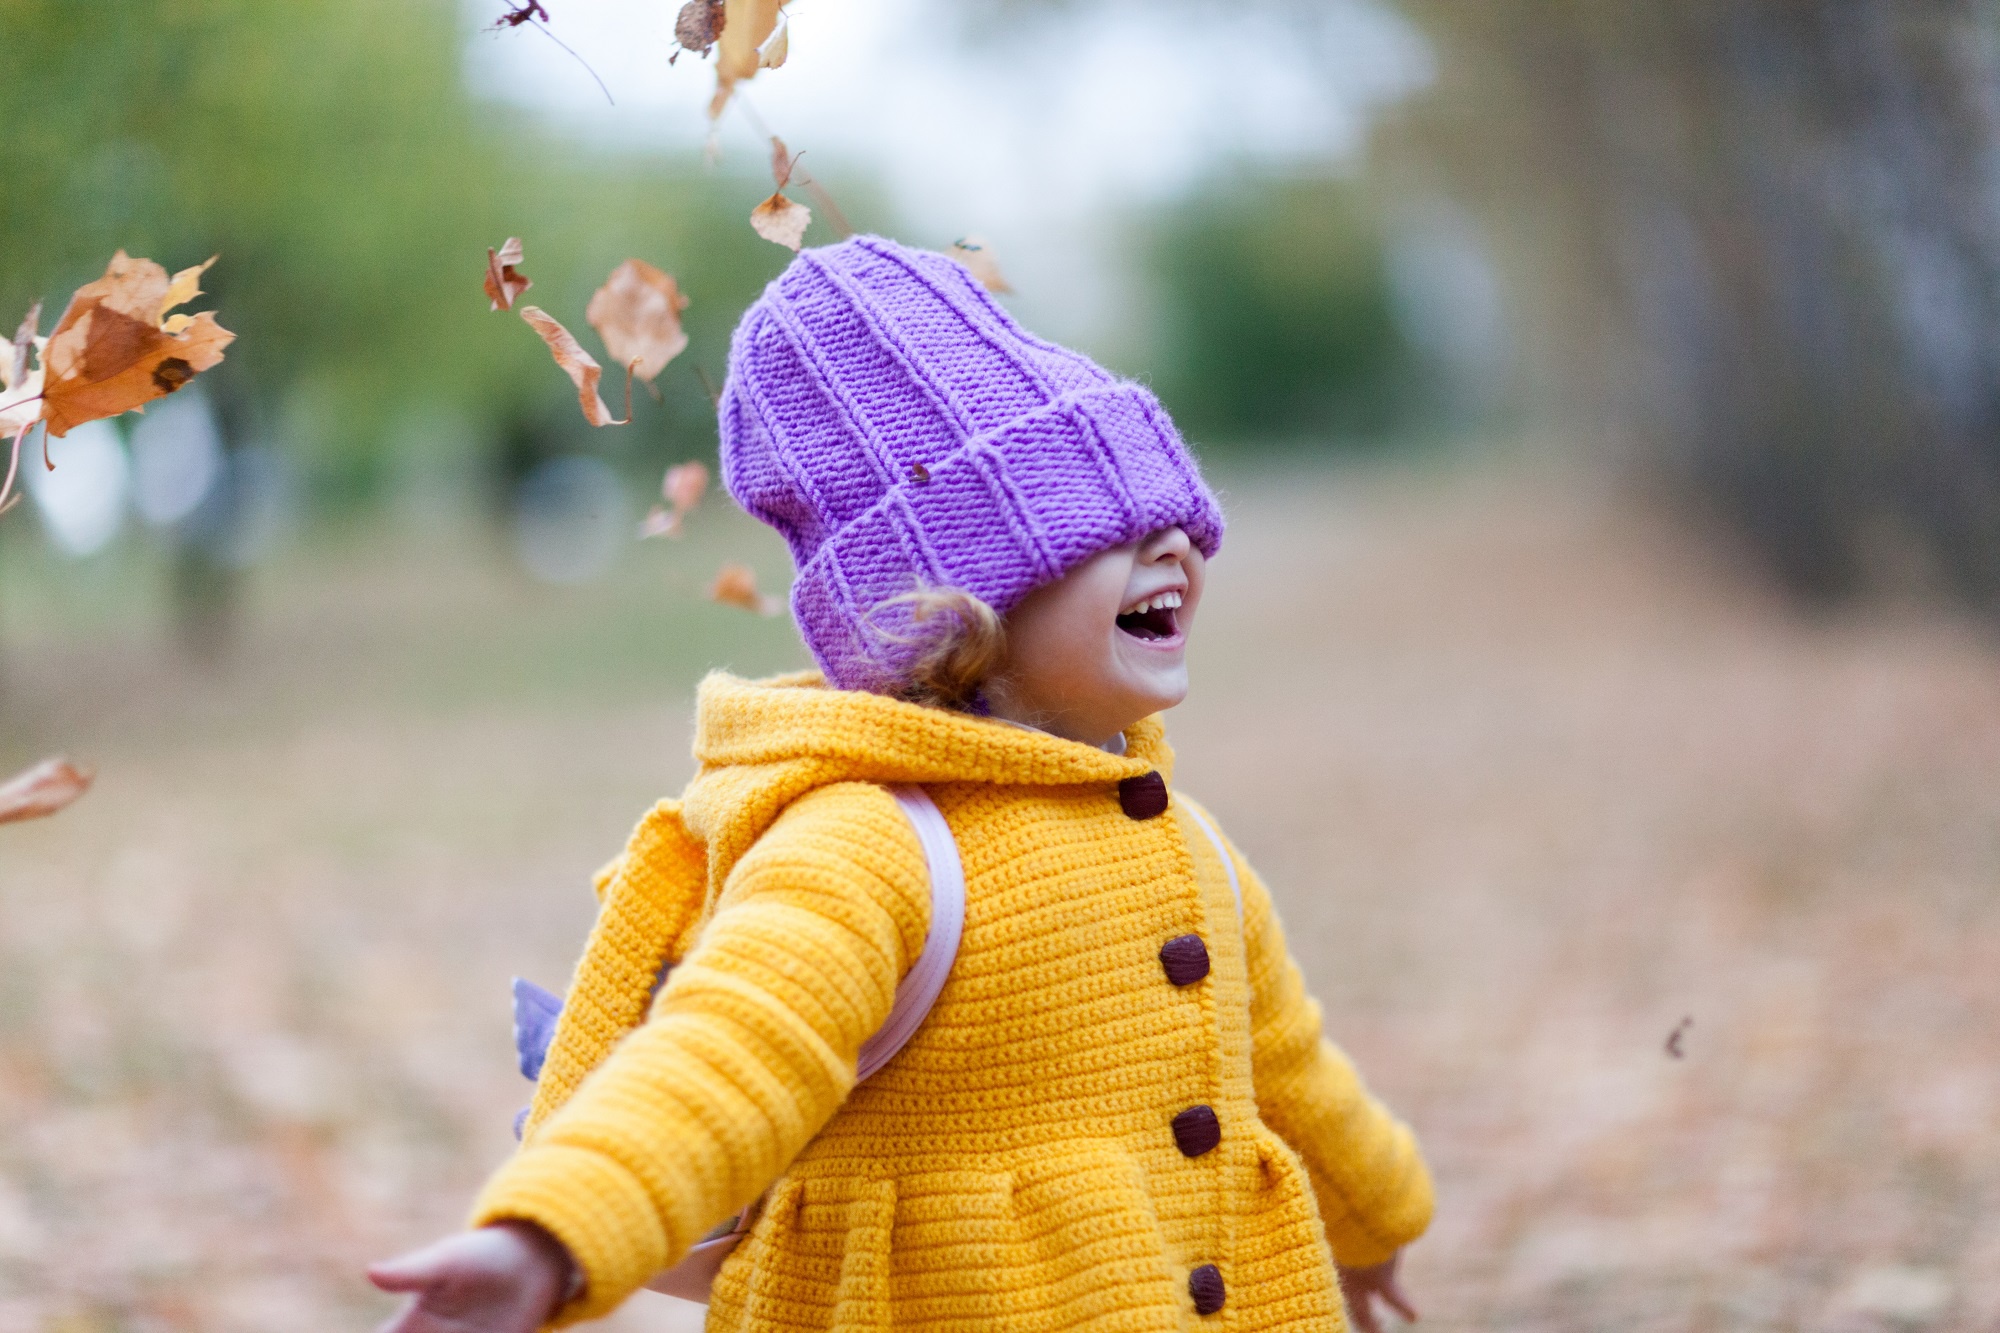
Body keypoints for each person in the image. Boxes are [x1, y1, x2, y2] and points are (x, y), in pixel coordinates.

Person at [368, 235, 1433, 1332]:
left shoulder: (1182, 840)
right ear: (953, 605)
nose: (1166, 547)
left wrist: (1373, 1219)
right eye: (1100, 530)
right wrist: (551, 1234)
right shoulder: (872, 840)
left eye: (1173, 518)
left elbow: (1286, 1068)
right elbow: (732, 1050)